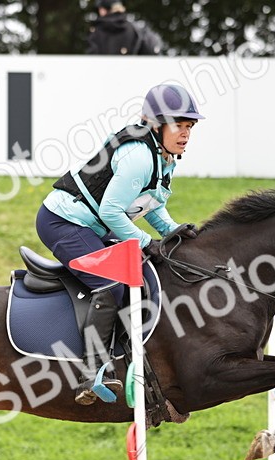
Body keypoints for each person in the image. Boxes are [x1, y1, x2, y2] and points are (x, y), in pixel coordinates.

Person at [36, 83, 202, 405]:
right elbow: (111, 211)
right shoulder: (140, 157)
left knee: (144, 272)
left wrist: (172, 230)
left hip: (91, 224)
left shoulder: (163, 158)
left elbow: (148, 204)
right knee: (111, 284)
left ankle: (127, 360)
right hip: (62, 222)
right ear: (156, 125)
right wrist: (145, 242)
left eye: (189, 127)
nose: (184, 134)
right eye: (178, 125)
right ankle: (91, 372)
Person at [87, 0, 163, 56]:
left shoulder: (96, 32)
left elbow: (93, 57)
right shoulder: (135, 29)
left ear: (103, 10)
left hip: (103, 75)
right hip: (131, 74)